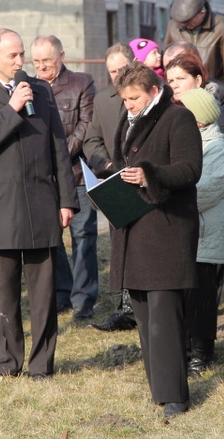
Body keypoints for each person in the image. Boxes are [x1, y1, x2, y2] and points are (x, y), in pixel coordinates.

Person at [0, 28, 78, 380]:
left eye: (22, 54)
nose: (21, 62)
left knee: (43, 294)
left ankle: (42, 365)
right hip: (0, 208)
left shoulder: (39, 91)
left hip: (42, 202)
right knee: (4, 294)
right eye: (13, 56)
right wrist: (11, 108)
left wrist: (67, 200)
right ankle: (7, 365)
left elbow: (59, 146)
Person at [109, 61, 202, 418]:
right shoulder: (131, 118)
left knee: (165, 316)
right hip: (135, 229)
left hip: (166, 231)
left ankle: (176, 395)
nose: (128, 105)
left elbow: (190, 168)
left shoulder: (177, 118)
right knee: (145, 315)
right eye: (125, 99)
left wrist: (149, 174)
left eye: (133, 98)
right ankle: (159, 389)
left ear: (152, 90)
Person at [30, 35, 98, 321]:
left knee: (83, 235)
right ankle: (62, 292)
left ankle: (84, 299)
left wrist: (59, 154)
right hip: (45, 177)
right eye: (36, 61)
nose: (41, 66)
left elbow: (87, 125)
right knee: (51, 238)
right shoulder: (28, 87)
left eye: (47, 59)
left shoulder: (82, 83)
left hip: (77, 174)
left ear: (62, 56)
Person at [83, 43, 138, 332]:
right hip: (114, 181)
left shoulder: (151, 93)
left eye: (122, 69)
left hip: (144, 181)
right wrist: (106, 166)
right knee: (119, 247)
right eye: (112, 71)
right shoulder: (103, 99)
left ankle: (142, 306)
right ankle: (123, 309)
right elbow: (91, 140)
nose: (117, 75)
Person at [180, 87, 224, 375]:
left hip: (204, 235)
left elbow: (201, 193)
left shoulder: (216, 149)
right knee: (185, 296)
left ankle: (201, 354)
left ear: (199, 119)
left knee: (201, 297)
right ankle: (186, 349)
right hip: (186, 235)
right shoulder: (188, 142)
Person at [163, 41, 224, 232]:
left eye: (180, 78)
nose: (175, 85)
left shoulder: (211, 105)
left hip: (205, 207)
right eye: (171, 80)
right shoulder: (168, 108)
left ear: (198, 80)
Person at [163, 0, 224, 102]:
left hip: (213, 95)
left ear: (202, 13)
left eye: (188, 21)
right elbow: (165, 63)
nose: (183, 25)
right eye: (181, 22)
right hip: (179, 97)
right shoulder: (173, 27)